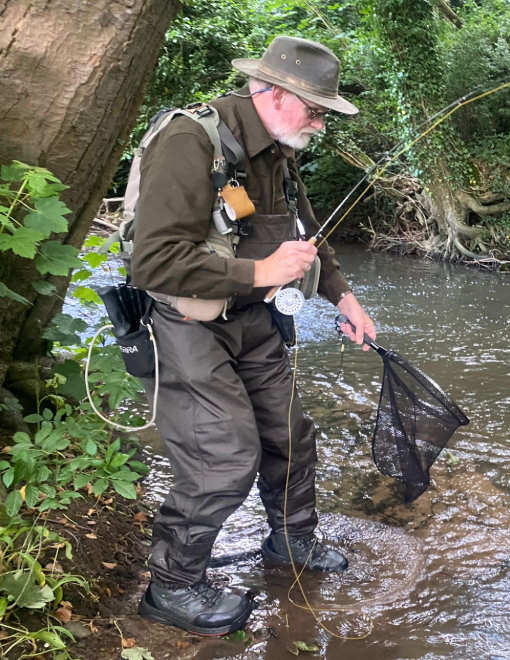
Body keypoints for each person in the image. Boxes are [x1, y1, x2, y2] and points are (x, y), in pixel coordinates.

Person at [130, 36, 376, 636]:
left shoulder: (282, 154)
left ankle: (289, 546)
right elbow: (153, 262)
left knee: (290, 435)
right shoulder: (190, 141)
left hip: (257, 324)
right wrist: (260, 272)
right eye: (315, 110)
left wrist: (345, 298)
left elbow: (309, 239)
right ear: (272, 93)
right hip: (188, 325)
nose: (320, 124)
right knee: (224, 458)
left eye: (323, 113)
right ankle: (173, 586)